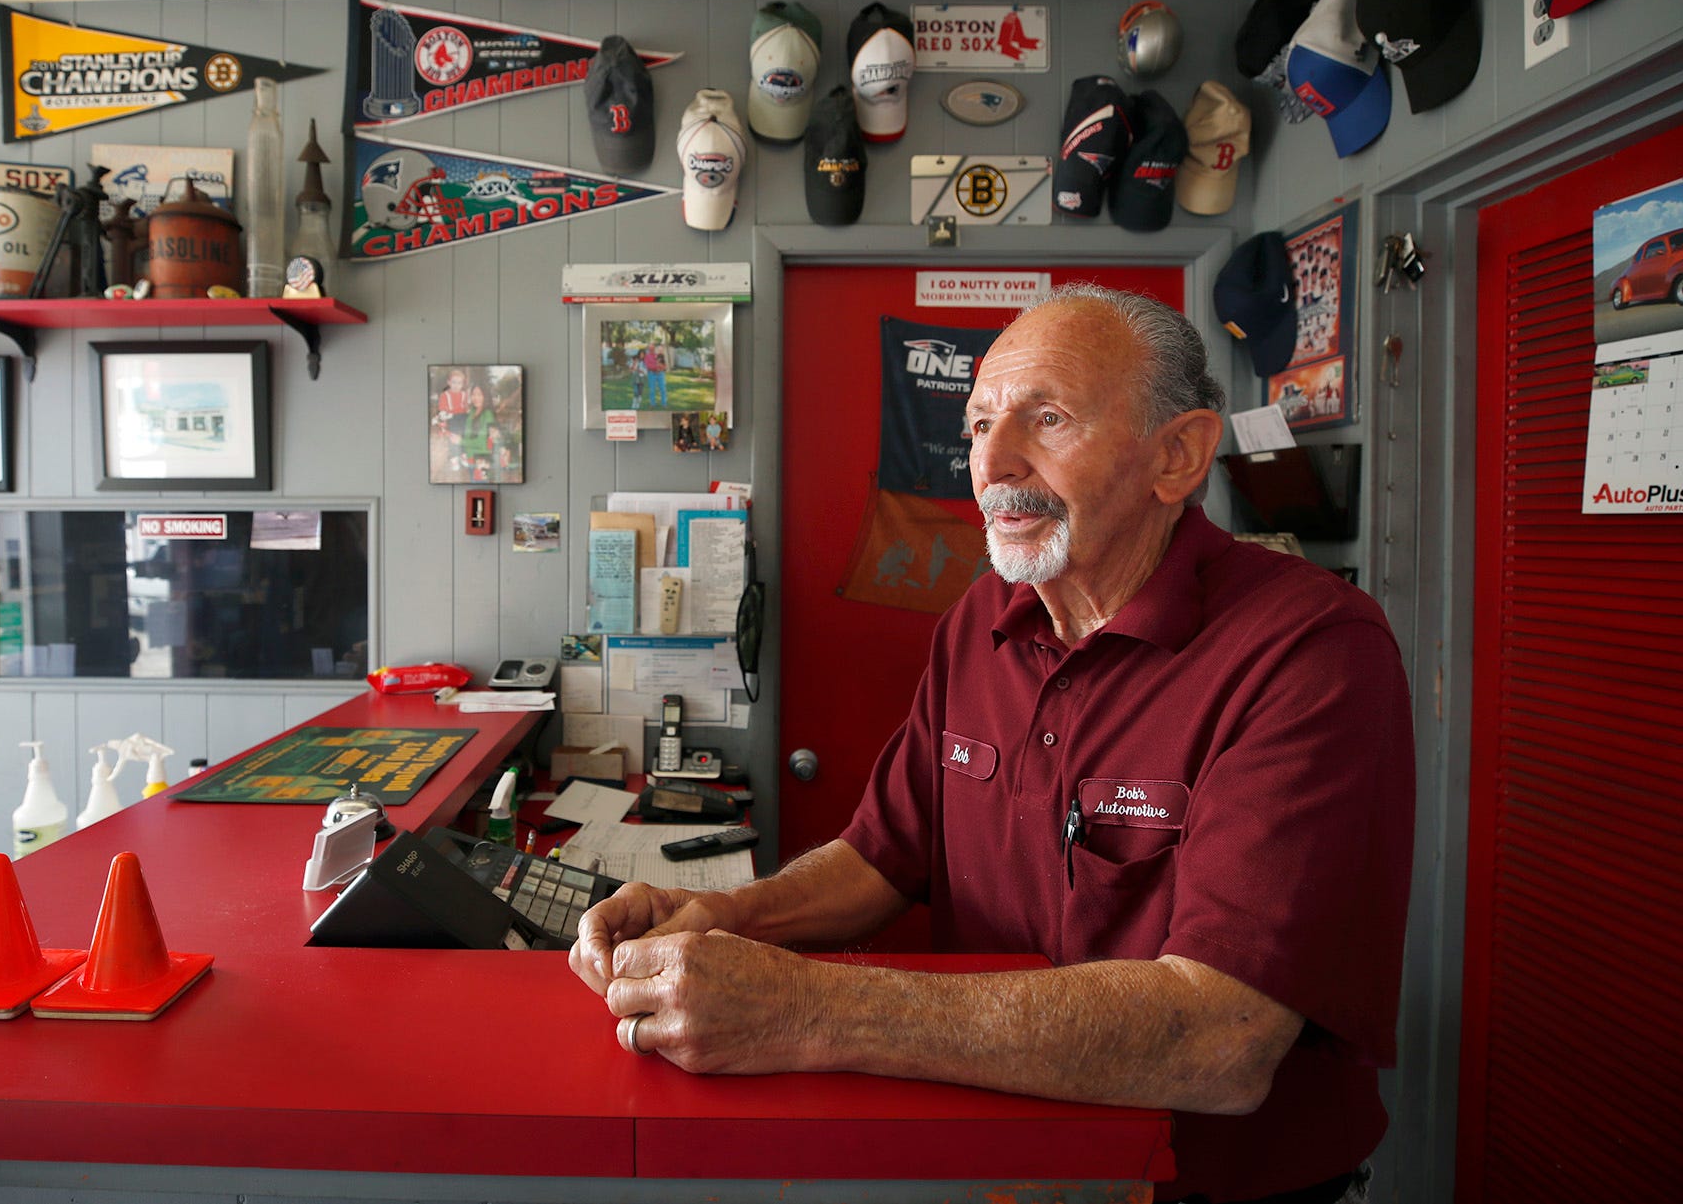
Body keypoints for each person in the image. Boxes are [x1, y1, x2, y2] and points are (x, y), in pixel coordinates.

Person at [570, 284, 1415, 1204]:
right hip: (999, 1169)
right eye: (978, 425)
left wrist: (802, 1007)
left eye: (1047, 418)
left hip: (1223, 1187)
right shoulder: (981, 619)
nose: (992, 463)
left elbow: (1222, 1036)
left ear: (1179, 455)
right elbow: (881, 857)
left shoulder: (1312, 651)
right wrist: (726, 917)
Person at [460, 383, 495, 479]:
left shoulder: (488, 414)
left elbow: (482, 441)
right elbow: (467, 435)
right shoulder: (471, 412)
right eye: (473, 394)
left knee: (482, 487)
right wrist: (464, 451)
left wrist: (460, 441)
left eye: (479, 394)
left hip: (482, 459)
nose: (475, 397)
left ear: (485, 396)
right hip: (470, 458)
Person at [643, 339, 669, 408]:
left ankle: (664, 403)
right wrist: (656, 367)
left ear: (654, 348)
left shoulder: (659, 354)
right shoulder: (647, 356)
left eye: (653, 348)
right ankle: (652, 404)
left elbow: (664, 364)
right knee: (652, 390)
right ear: (648, 349)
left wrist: (661, 368)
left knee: (663, 389)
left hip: (660, 374)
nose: (651, 349)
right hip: (652, 374)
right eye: (650, 348)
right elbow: (648, 366)